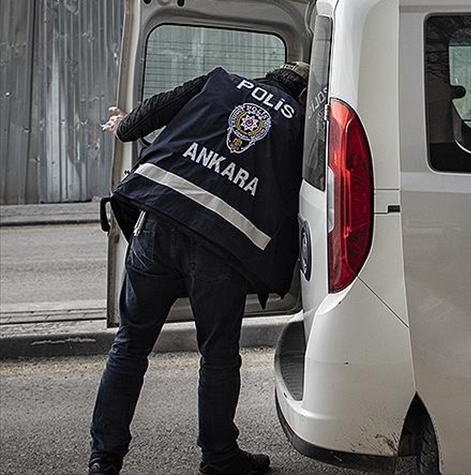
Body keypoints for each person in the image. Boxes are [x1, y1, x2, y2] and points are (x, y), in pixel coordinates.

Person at [89, 62, 309, 475]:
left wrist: (122, 127)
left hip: (158, 221)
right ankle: (219, 455)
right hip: (221, 244)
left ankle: (104, 458)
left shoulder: (220, 82)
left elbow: (145, 117)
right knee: (218, 357)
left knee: (130, 346)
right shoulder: (299, 122)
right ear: (301, 93)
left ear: (270, 75)